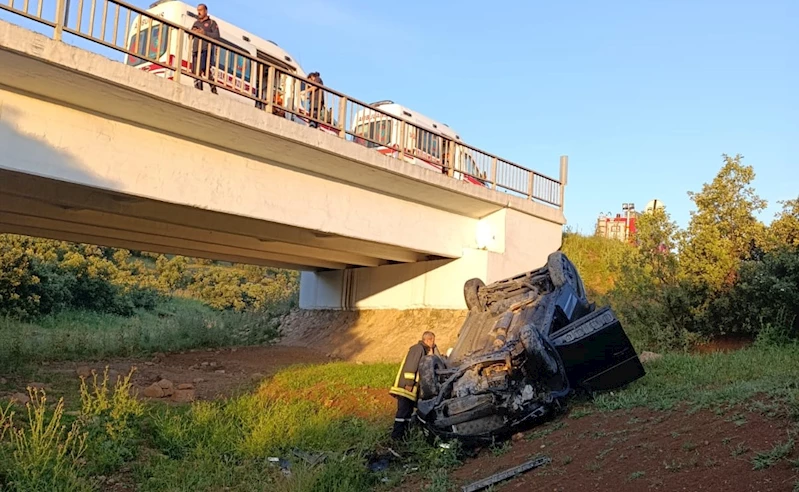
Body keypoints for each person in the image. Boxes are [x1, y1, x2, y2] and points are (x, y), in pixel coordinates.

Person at [388, 331, 441, 441]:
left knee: (407, 412)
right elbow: (411, 365)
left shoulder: (422, 350)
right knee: (403, 412)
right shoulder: (418, 349)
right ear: (429, 340)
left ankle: (403, 436)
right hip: (406, 387)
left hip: (410, 389)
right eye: (433, 341)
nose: (434, 344)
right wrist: (409, 383)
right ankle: (396, 437)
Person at [190, 3, 220, 94]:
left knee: (205, 69)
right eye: (198, 10)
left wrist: (204, 33)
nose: (199, 12)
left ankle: (213, 88)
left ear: (205, 11)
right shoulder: (196, 23)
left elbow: (217, 36)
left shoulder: (212, 23)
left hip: (206, 49)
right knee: (195, 71)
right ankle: (198, 90)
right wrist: (192, 32)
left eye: (201, 10)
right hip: (196, 49)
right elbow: (190, 36)